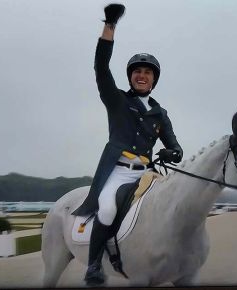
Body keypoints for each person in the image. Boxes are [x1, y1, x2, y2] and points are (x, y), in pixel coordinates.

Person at [71, 3, 183, 286]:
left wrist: (173, 151)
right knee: (107, 210)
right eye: (137, 71)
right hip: (118, 171)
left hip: (147, 174)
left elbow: (175, 147)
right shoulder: (118, 100)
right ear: (131, 76)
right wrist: (110, 26)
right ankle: (94, 265)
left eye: (148, 72)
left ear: (154, 79)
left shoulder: (160, 113)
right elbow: (101, 68)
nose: (142, 75)